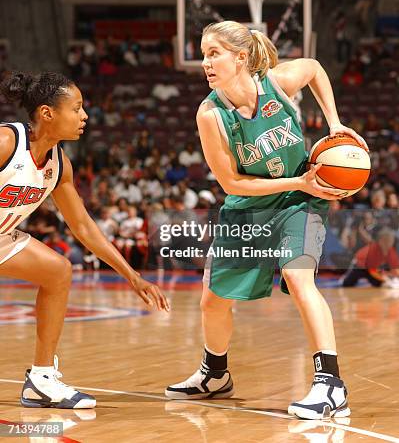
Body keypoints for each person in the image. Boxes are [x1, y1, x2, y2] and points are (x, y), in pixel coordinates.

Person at [165, 21, 368, 420]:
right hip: (252, 206)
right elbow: (231, 182)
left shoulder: (275, 82)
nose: (205, 63)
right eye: (204, 54)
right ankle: (215, 374)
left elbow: (313, 67)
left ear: (241, 58)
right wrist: (302, 179)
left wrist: (334, 122)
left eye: (213, 53)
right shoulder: (210, 114)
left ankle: (330, 385)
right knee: (213, 302)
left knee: (297, 276)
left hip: (299, 202)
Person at [0, 72, 169, 410]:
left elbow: (84, 227)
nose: (84, 116)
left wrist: (132, 276)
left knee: (58, 271)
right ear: (48, 113)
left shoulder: (59, 165)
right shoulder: (6, 142)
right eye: (76, 108)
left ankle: (41, 379)